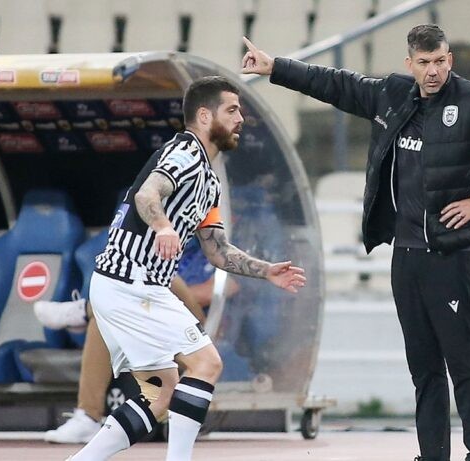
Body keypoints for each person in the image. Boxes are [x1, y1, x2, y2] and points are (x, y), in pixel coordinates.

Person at [241, 25, 470, 461]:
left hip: (452, 256)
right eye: (424, 63)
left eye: (439, 61)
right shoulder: (393, 95)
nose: (433, 71)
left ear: (450, 59)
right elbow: (337, 85)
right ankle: (433, 455)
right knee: (423, 368)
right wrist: (275, 68)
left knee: (463, 363)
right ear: (410, 64)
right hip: (406, 255)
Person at [67, 76, 306, 461]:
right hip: (132, 284)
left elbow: (217, 250)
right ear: (204, 115)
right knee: (206, 363)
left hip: (132, 287)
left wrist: (266, 271)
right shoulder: (185, 152)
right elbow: (148, 193)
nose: (240, 119)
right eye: (232, 110)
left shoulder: (209, 181)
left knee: (159, 393)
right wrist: (163, 226)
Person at [34, 270, 207, 444]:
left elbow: (215, 292)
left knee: (125, 295)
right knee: (108, 312)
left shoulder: (202, 256)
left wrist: (144, 294)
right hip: (145, 321)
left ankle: (84, 310)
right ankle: (87, 418)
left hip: (190, 337)